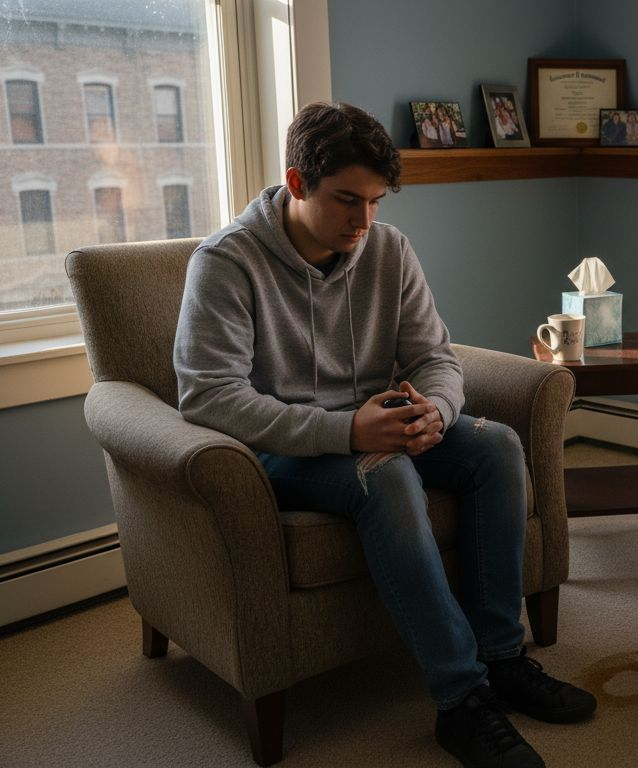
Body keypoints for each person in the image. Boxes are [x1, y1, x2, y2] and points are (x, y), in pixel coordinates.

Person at [174, 102, 596, 767]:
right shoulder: (226, 264)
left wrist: (437, 408)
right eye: (346, 200)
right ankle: (461, 700)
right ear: (296, 182)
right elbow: (207, 396)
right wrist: (347, 431)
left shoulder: (388, 248)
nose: (363, 221)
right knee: (384, 472)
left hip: (377, 420)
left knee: (497, 446)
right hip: (279, 452)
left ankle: (503, 657)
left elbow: (434, 355)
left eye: (374, 202)